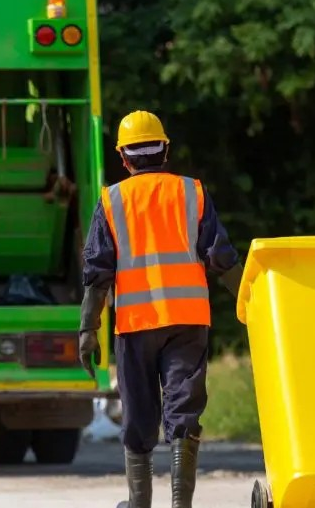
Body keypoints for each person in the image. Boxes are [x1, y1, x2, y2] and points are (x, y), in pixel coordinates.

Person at [78, 110, 243, 508]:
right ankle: (180, 505)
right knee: (183, 408)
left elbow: (97, 272)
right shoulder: (193, 192)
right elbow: (220, 256)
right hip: (187, 322)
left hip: (136, 324)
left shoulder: (111, 199)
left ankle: (139, 503)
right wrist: (250, 302)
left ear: (124, 157)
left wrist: (87, 329)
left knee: (139, 413)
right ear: (165, 150)